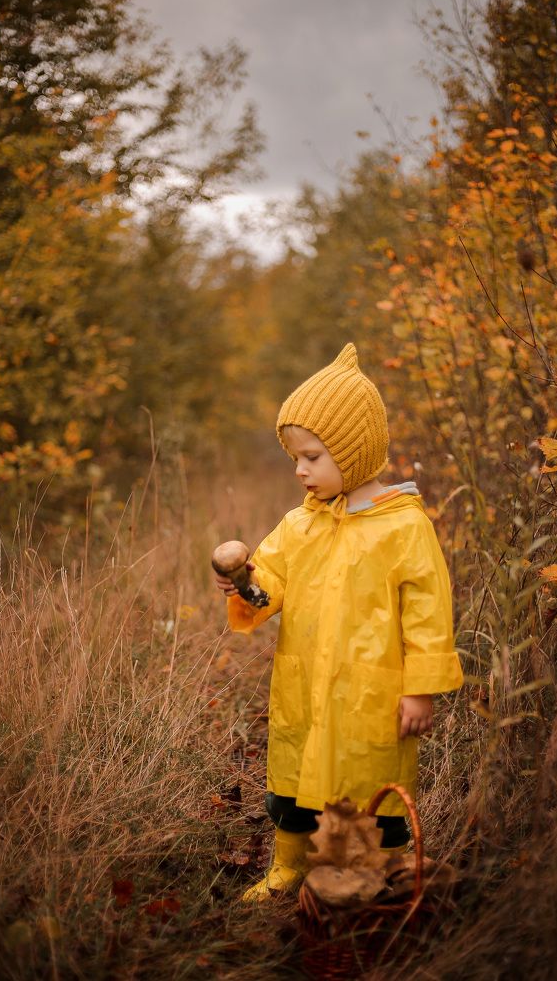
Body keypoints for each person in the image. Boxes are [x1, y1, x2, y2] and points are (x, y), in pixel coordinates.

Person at [213, 342, 464, 903]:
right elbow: (270, 583)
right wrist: (246, 586)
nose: (300, 470)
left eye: (313, 456)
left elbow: (428, 613)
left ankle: (380, 874)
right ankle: (288, 865)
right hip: (305, 685)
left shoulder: (402, 527)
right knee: (294, 783)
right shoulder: (299, 525)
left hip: (373, 693)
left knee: (370, 787)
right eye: (295, 458)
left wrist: (420, 689)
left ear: (354, 453)